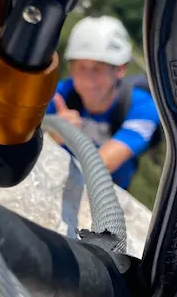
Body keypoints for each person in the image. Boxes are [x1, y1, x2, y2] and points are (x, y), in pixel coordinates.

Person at [45, 15, 160, 190]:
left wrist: (60, 136)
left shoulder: (143, 108)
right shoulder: (60, 95)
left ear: (120, 69)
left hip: (108, 195)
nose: (88, 79)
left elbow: (101, 166)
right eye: (81, 67)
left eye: (98, 68)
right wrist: (52, 135)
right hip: (57, 179)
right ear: (70, 67)